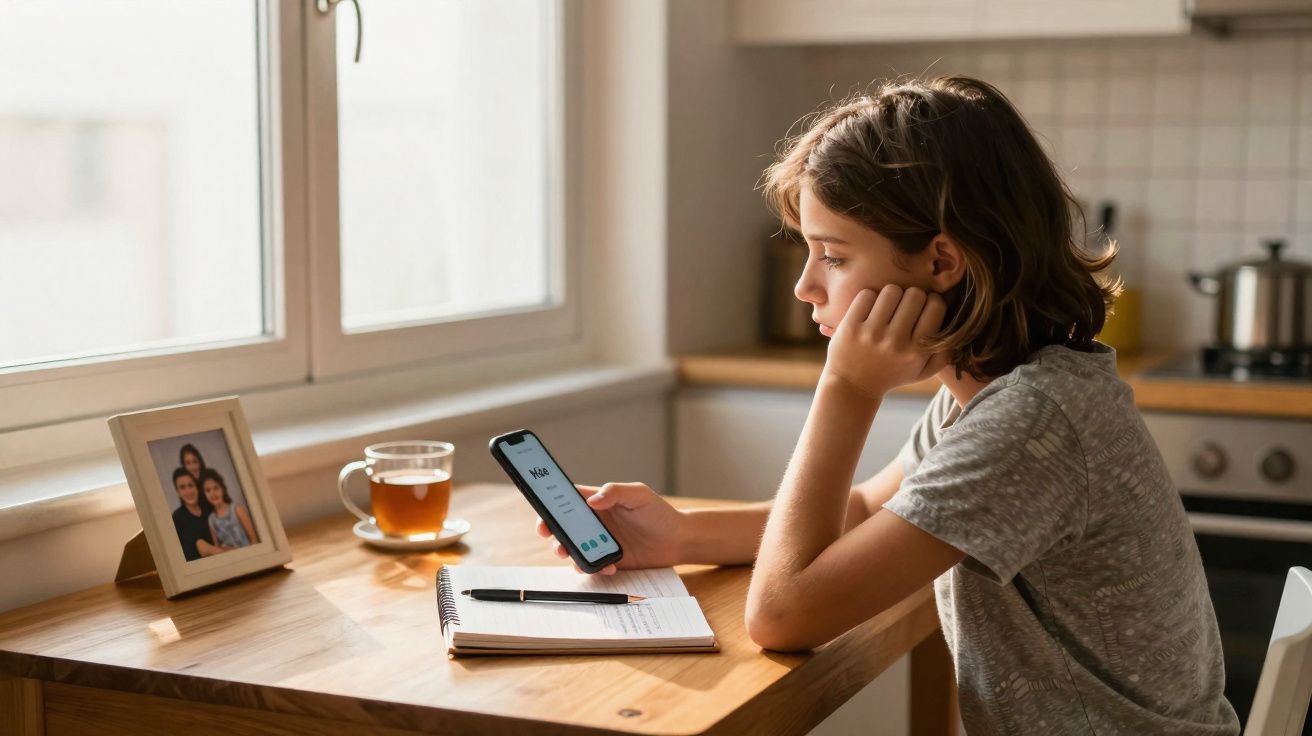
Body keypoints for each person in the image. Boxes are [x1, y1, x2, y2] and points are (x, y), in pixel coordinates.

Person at [535, 76, 1240, 734]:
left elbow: (782, 615)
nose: (805, 287)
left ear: (940, 262)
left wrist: (846, 390)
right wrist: (682, 536)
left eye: (833, 256)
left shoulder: (1032, 423)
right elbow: (872, 512)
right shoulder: (996, 389)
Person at [170, 468, 223, 561]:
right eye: (182, 487)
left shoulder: (209, 507)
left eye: (190, 485)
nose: (189, 491)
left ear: (197, 487)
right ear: (178, 493)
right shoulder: (177, 517)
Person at [199, 468, 258, 550]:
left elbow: (254, 539)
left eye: (216, 488)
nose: (213, 493)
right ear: (204, 495)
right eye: (208, 490)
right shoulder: (211, 520)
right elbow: (217, 549)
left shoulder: (237, 509)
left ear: (222, 488)